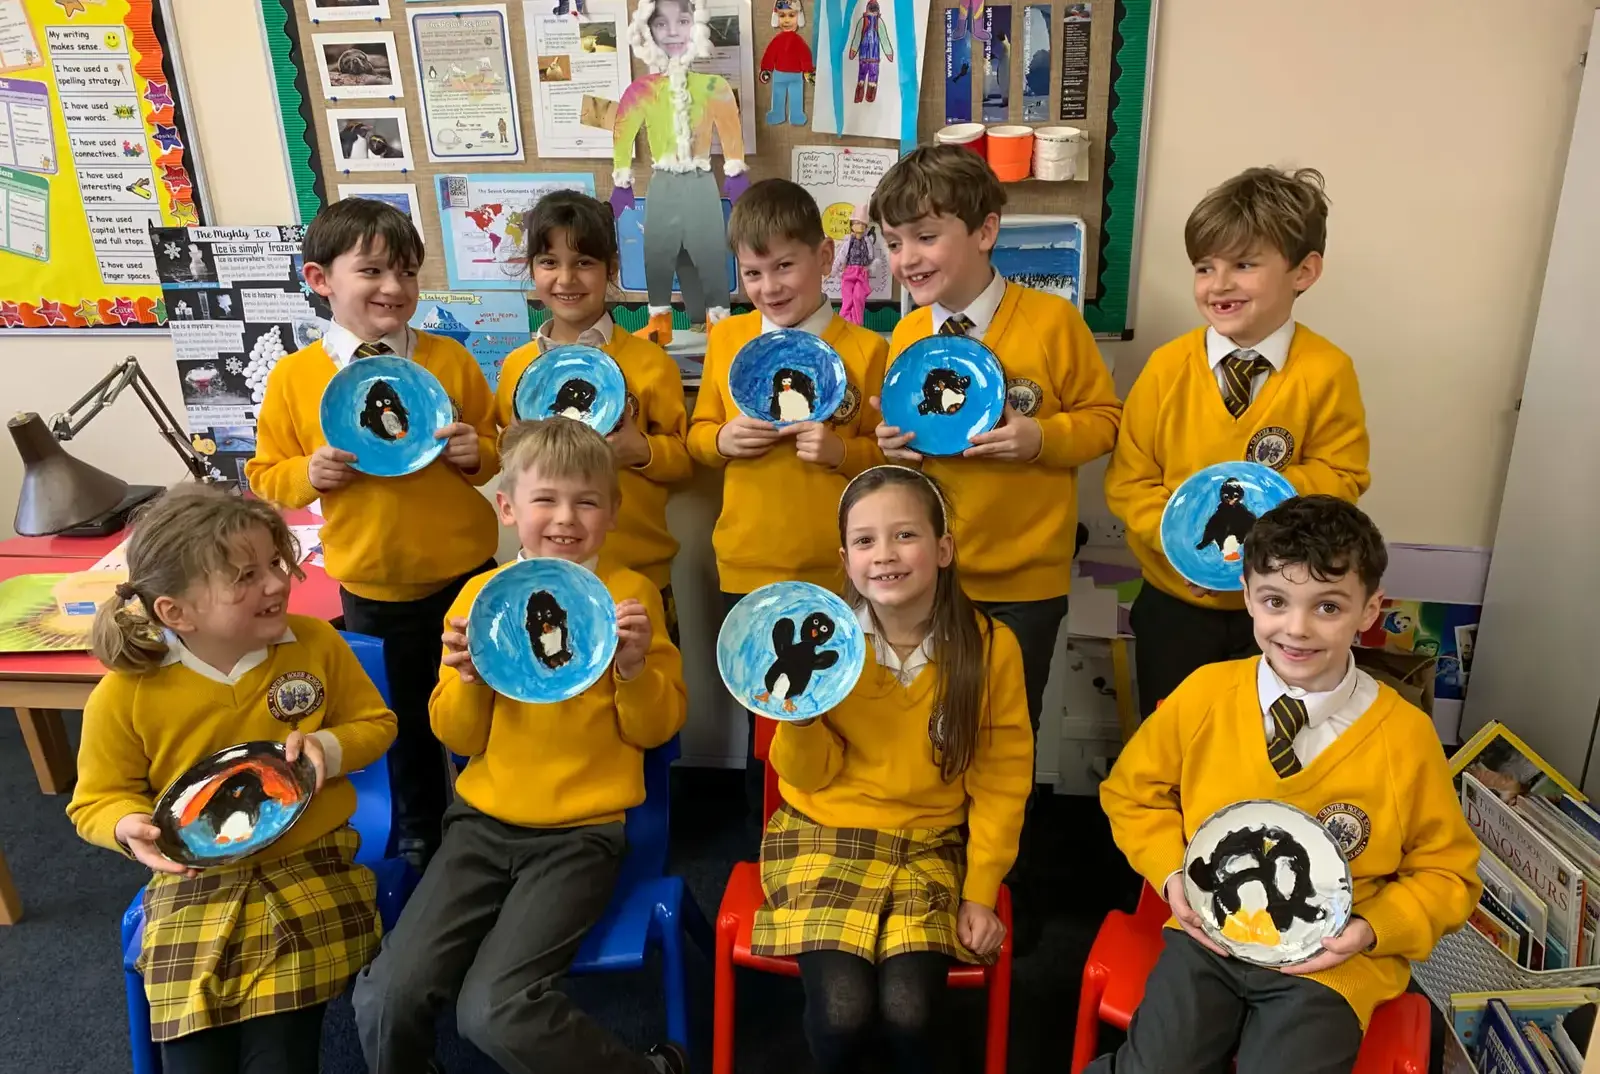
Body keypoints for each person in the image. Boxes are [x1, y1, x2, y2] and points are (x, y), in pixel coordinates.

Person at [1091, 495, 1480, 1074]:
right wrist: (1172, 873)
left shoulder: (1405, 736)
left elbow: (1448, 873)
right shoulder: (1204, 695)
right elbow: (1130, 793)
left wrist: (1373, 930)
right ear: (1248, 595)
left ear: (1370, 610)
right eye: (1276, 601)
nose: (1296, 629)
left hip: (1333, 959)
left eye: (1327, 607)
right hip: (1209, 935)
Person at [352, 418, 689, 1074]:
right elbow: (458, 738)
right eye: (545, 500)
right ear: (507, 508)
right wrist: (467, 680)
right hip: (480, 826)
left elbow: (657, 731)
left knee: (494, 1009)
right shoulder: (482, 597)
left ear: (614, 512)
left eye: (587, 501)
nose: (566, 519)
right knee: (387, 997)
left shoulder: (629, 597)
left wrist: (633, 670)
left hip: (581, 835)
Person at [66, 485, 397, 1074]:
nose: (274, 583)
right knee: (192, 1048)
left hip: (311, 859)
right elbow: (95, 798)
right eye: (243, 576)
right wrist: (126, 824)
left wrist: (328, 745)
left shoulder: (315, 643)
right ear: (175, 612)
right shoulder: (126, 694)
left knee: (280, 1047)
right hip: (195, 882)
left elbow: (376, 724)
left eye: (276, 562)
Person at [870, 145, 1120, 873]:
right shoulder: (911, 333)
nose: (907, 259)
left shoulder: (1050, 324)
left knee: (1008, 734)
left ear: (984, 231)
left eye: (924, 236)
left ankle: (1006, 883)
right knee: (928, 725)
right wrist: (892, 445)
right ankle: (936, 869)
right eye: (892, 243)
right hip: (929, 580)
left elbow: (1105, 419)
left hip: (1022, 581)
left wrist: (1040, 437)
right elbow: (903, 440)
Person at [246, 198, 500, 869]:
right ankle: (422, 831)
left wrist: (478, 454)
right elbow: (266, 476)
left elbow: (494, 451)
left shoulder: (449, 362)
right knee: (403, 723)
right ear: (320, 278)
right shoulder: (297, 380)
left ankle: (490, 818)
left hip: (466, 575)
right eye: (374, 272)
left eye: (409, 273)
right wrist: (310, 471)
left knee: (484, 707)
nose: (395, 288)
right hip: (373, 585)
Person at [753, 465, 1032, 1074]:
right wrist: (799, 715)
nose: (885, 555)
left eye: (905, 535)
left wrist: (981, 889)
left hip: (929, 844)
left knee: (910, 1008)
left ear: (944, 548)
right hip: (821, 834)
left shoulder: (990, 649)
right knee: (842, 1008)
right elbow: (808, 779)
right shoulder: (821, 646)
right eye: (865, 541)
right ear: (846, 559)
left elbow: (1002, 780)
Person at [1104, 166, 1371, 718]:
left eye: (1244, 265)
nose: (1219, 284)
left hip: (1282, 609)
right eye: (1205, 267)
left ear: (1304, 271)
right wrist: (1187, 553)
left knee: (1266, 735)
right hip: (1177, 603)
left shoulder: (1326, 371)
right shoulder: (1166, 368)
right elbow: (1130, 482)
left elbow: (1343, 476)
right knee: (1175, 733)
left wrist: (1261, 506)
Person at [688, 177, 888, 819]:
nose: (770, 286)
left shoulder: (866, 349)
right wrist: (721, 438)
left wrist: (844, 455)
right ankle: (764, 837)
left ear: (825, 258)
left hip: (842, 569)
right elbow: (693, 438)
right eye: (752, 272)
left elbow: (891, 457)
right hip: (748, 562)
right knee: (766, 718)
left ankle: (840, 830)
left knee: (844, 710)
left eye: (784, 265)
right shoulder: (726, 343)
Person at [497, 190, 691, 641]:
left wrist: (638, 450)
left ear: (611, 270)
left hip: (638, 573)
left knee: (647, 689)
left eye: (583, 262)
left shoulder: (649, 362)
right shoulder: (516, 369)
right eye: (548, 262)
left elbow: (684, 460)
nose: (566, 278)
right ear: (532, 270)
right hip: (545, 577)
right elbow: (503, 452)